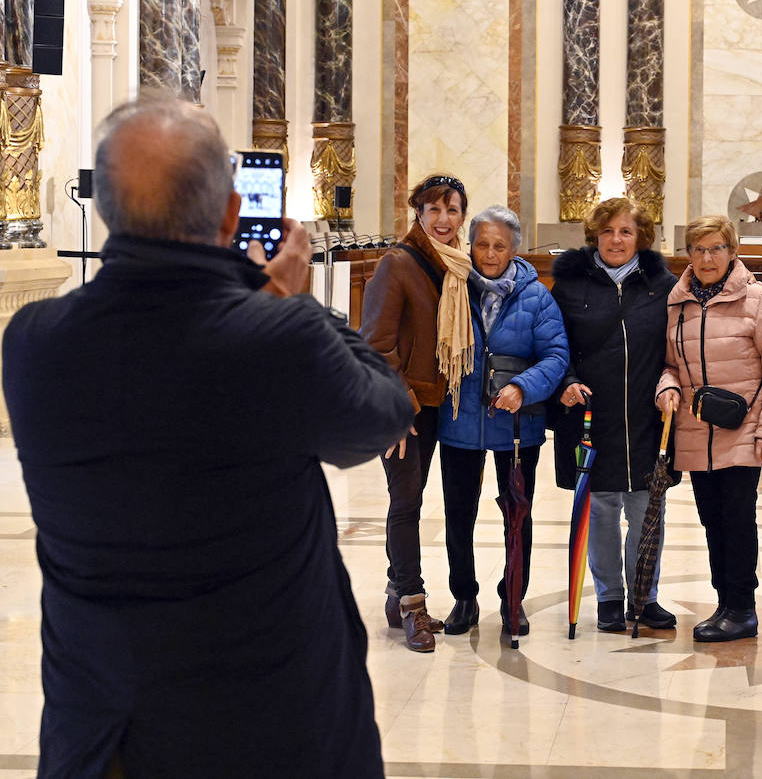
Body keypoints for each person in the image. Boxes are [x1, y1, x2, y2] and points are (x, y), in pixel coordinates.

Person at [3, 95, 412, 777]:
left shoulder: (34, 342)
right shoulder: (276, 338)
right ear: (229, 212)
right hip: (270, 728)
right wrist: (295, 300)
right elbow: (381, 414)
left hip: (105, 730)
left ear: (104, 210)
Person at [655, 215, 762, 642]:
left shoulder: (759, 300)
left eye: (715, 248)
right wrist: (667, 388)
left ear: (732, 251)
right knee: (711, 521)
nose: (707, 257)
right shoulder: (677, 303)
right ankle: (724, 603)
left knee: (737, 519)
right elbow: (669, 365)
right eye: (698, 249)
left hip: (742, 430)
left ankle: (743, 608)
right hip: (696, 431)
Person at [437, 206, 568, 636]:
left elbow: (556, 356)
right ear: (469, 245)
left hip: (517, 426)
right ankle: (463, 596)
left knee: (518, 513)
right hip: (459, 420)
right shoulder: (453, 287)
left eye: (499, 245)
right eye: (481, 244)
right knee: (459, 512)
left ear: (514, 248)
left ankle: (513, 597)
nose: (489, 254)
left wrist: (524, 387)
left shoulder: (536, 296)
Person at [552, 197, 679, 633]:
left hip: (647, 417)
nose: (616, 240)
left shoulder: (663, 285)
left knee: (647, 510)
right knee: (602, 510)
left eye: (625, 231)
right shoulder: (571, 285)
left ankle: (645, 596)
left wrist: (671, 383)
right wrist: (565, 379)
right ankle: (609, 598)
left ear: (641, 237)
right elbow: (554, 343)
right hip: (591, 417)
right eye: (607, 231)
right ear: (595, 236)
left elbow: (676, 351)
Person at [360, 173, 472, 652]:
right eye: (434, 211)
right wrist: (397, 403)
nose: (443, 220)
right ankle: (411, 603)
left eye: (452, 210)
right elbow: (374, 345)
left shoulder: (458, 267)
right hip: (405, 407)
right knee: (407, 502)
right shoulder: (398, 264)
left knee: (419, 501)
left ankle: (395, 590)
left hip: (444, 404)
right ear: (418, 215)